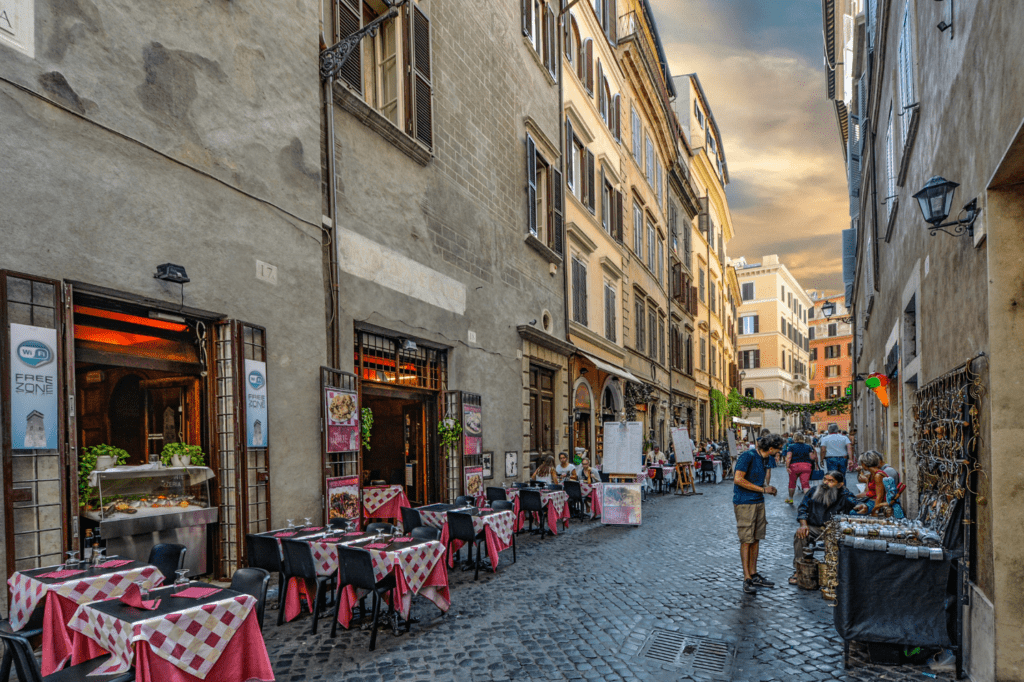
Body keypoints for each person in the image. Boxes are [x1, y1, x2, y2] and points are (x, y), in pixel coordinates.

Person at [733, 433, 784, 594]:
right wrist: (763, 489)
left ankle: (754, 573)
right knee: (746, 539)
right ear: (770, 448)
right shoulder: (747, 456)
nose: (780, 452)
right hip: (745, 502)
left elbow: (763, 477)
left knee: (756, 538)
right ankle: (746, 577)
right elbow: (738, 479)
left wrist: (768, 488)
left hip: (758, 501)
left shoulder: (767, 458)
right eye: (778, 449)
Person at [790, 470, 857, 584]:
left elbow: (855, 503)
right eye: (825, 479)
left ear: (840, 484)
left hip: (834, 529)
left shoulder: (844, 494)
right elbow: (803, 508)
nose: (826, 483)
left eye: (831, 481)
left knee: (838, 540)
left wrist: (861, 506)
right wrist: (803, 525)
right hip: (815, 527)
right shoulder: (813, 491)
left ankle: (832, 571)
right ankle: (799, 569)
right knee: (800, 535)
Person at [784, 433, 817, 504]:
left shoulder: (791, 446)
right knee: (805, 484)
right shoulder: (808, 446)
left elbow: (789, 457)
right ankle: (808, 501)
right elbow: (812, 457)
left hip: (794, 466)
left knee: (792, 483)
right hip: (806, 466)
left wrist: (787, 466)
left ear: (795, 438)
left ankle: (791, 499)